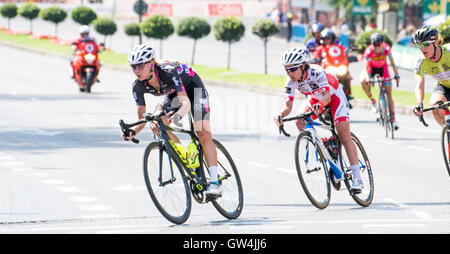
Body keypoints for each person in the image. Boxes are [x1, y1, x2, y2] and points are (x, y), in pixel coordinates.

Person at [121, 44, 222, 197]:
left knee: (202, 132)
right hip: (172, 95)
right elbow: (141, 119)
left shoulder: (168, 72)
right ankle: (185, 158)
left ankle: (215, 183)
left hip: (193, 89)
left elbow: (186, 103)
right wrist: (132, 132)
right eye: (133, 67)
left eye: (140, 66)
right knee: (155, 123)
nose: (137, 71)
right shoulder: (137, 86)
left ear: (151, 64)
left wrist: (177, 116)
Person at [274, 47, 364, 192]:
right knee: (299, 120)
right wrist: (280, 115)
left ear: (303, 66)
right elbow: (288, 106)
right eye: (286, 69)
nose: (289, 73)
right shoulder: (290, 81)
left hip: (334, 97)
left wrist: (320, 104)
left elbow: (327, 97)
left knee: (343, 134)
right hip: (315, 99)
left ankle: (357, 177)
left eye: (293, 69)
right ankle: (324, 146)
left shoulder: (317, 72)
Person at [360, 32, 400, 130]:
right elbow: (365, 67)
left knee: (389, 94)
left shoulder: (386, 48)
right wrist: (367, 78)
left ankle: (393, 119)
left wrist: (396, 74)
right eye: (375, 44)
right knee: (362, 80)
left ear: (382, 43)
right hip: (371, 68)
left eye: (379, 44)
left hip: (383, 69)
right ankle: (372, 100)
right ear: (372, 44)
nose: (377, 47)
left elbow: (393, 63)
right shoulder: (369, 50)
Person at [412, 26, 450, 126]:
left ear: (436, 43)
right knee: (435, 105)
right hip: (445, 87)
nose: (422, 48)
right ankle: (448, 130)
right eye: (419, 45)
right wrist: (419, 104)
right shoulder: (421, 62)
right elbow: (419, 84)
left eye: (425, 44)